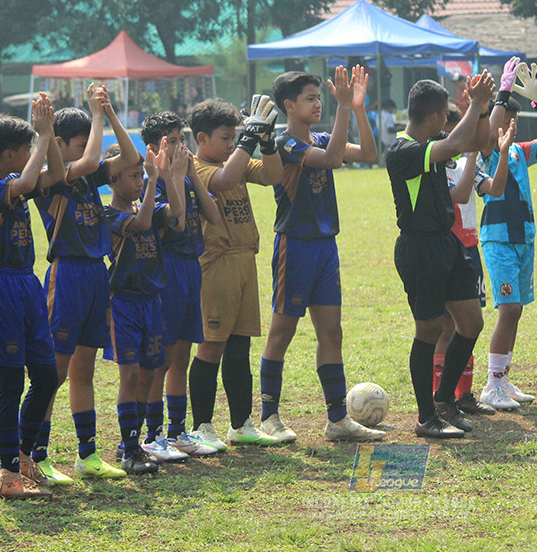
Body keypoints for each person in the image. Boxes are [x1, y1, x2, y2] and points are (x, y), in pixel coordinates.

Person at [260, 66, 384, 442]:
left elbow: (368, 153)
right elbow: (330, 160)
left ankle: (337, 420)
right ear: (289, 106)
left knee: (331, 332)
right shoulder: (285, 144)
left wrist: (358, 109)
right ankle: (268, 416)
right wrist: (342, 106)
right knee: (282, 330)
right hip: (294, 246)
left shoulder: (321, 137)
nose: (318, 104)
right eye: (310, 99)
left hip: (325, 247)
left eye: (319, 98)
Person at [31, 84, 141, 483]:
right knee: (54, 372)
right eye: (77, 143)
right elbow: (94, 157)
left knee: (84, 370)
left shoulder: (87, 179)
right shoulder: (49, 179)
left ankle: (87, 454)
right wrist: (95, 116)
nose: (86, 149)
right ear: (58, 143)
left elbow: (130, 157)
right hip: (68, 274)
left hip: (96, 272)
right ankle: (36, 454)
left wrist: (109, 114)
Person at [386, 70, 495, 438]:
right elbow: (454, 146)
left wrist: (480, 111)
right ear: (433, 117)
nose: (447, 121)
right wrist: (476, 102)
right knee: (430, 329)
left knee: (471, 323)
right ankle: (425, 416)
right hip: (419, 247)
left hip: (448, 244)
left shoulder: (435, 139)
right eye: (445, 114)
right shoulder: (403, 150)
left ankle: (445, 400)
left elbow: (479, 141)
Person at [0, 97, 64, 499]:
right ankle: (8, 473)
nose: (32, 156)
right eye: (26, 150)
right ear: (10, 154)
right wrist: (42, 134)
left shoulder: (16, 182)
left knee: (45, 376)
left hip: (26, 284)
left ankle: (24, 458)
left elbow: (55, 175)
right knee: (10, 381)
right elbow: (26, 182)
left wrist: (49, 136)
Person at [190, 97, 283, 446]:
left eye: (234, 138)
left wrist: (267, 140)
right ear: (202, 138)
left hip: (244, 259)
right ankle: (202, 427)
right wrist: (247, 141)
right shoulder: (197, 169)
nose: (231, 144)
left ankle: (241, 424)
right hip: (216, 264)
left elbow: (274, 175)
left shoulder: (234, 160)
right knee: (211, 347)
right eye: (225, 138)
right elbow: (225, 180)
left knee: (239, 346)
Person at [478, 59, 537, 410]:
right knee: (509, 307)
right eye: (505, 121)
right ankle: (491, 386)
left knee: (515, 311)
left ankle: (504, 380)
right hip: (497, 236)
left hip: (523, 237)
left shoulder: (520, 151)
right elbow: (488, 136)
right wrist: (501, 92)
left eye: (514, 121)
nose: (510, 127)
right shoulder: (486, 152)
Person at [139, 112, 221, 458]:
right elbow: (176, 223)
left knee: (182, 354)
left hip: (191, 268)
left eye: (179, 139)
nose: (178, 147)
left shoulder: (184, 176)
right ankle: (153, 434)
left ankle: (177, 431)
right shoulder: (155, 180)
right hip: (167, 270)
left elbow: (214, 217)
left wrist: (191, 177)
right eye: (170, 142)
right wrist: (173, 176)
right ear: (153, 148)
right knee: (162, 356)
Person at [102, 142, 184, 475]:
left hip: (152, 301)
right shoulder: (109, 215)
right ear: (112, 179)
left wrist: (169, 176)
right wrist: (152, 182)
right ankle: (129, 447)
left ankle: (132, 442)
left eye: (141, 174)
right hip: (124, 303)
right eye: (133, 176)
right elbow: (142, 223)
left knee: (151, 373)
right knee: (131, 374)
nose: (139, 180)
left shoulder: (147, 203)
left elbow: (176, 215)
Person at [432, 104, 510, 416]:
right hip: (442, 251)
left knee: (468, 324)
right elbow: (460, 196)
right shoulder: (433, 165)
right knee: (444, 328)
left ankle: (463, 395)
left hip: (469, 249)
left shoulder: (468, 162)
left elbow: (496, 188)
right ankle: (441, 397)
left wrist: (500, 153)